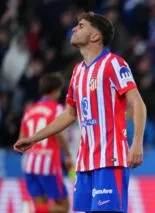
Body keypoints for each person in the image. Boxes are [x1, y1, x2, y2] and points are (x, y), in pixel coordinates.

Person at [14, 11, 147, 213]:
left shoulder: (113, 63)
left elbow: (137, 103)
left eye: (82, 25)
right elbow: (69, 114)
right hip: (85, 163)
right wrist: (34, 139)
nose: (74, 28)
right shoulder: (77, 71)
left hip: (109, 159)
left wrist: (137, 142)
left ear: (96, 36)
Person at [19, 73, 73, 213]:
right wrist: (67, 155)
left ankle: (32, 208)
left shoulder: (29, 110)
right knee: (64, 206)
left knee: (41, 204)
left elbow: (22, 139)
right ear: (55, 90)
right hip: (48, 163)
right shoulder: (57, 109)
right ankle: (30, 209)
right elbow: (59, 134)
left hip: (30, 163)